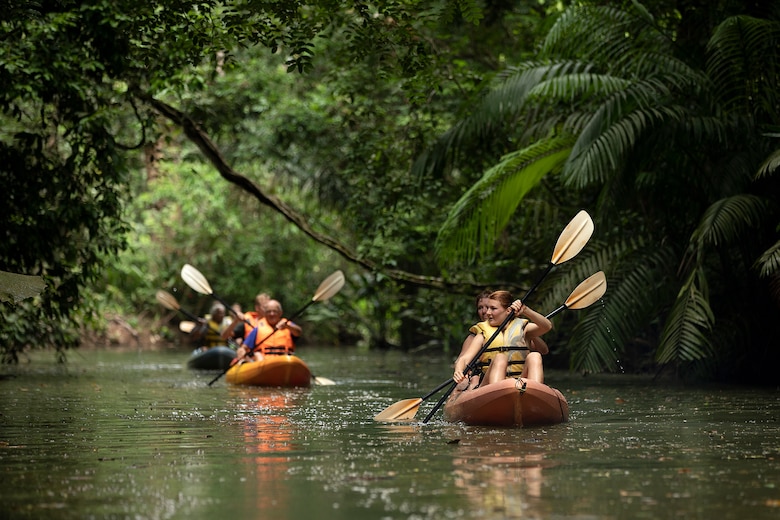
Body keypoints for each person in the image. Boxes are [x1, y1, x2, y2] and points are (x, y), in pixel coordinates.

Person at [453, 290, 552, 386]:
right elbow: (464, 359)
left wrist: (526, 310)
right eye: (488, 308)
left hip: (520, 383)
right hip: (489, 386)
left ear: (508, 311)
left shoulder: (523, 328)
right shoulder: (482, 333)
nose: (487, 312)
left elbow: (547, 326)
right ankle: (497, 393)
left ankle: (534, 391)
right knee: (500, 358)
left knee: (534, 356)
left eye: (493, 308)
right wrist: (458, 370)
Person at [236, 299, 302, 362]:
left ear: (280, 313)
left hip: (284, 360)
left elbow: (298, 332)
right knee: (258, 355)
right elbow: (244, 347)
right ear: (264, 314)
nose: (271, 314)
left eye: (274, 311)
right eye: (269, 311)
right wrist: (242, 351)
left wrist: (288, 326)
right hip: (264, 362)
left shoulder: (288, 325)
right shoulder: (258, 328)